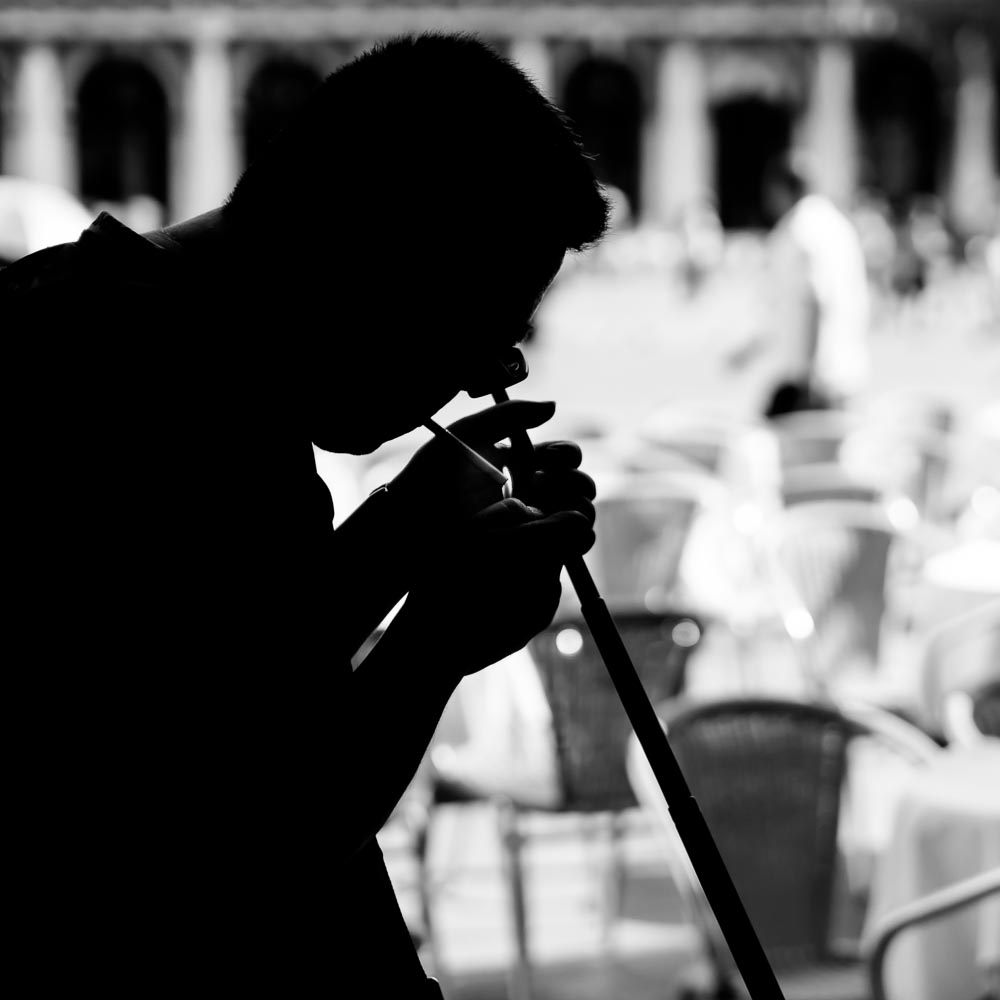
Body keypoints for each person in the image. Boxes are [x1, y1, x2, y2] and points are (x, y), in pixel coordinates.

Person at [4, 34, 608, 995]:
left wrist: (401, 533)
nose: (499, 371)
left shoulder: (125, 330)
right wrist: (439, 638)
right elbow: (238, 839)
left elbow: (227, 660)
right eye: (485, 320)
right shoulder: (152, 390)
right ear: (377, 256)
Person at [728, 152, 871, 417]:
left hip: (814, 379)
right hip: (844, 368)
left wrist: (809, 374)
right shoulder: (836, 223)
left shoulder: (800, 230)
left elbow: (814, 299)